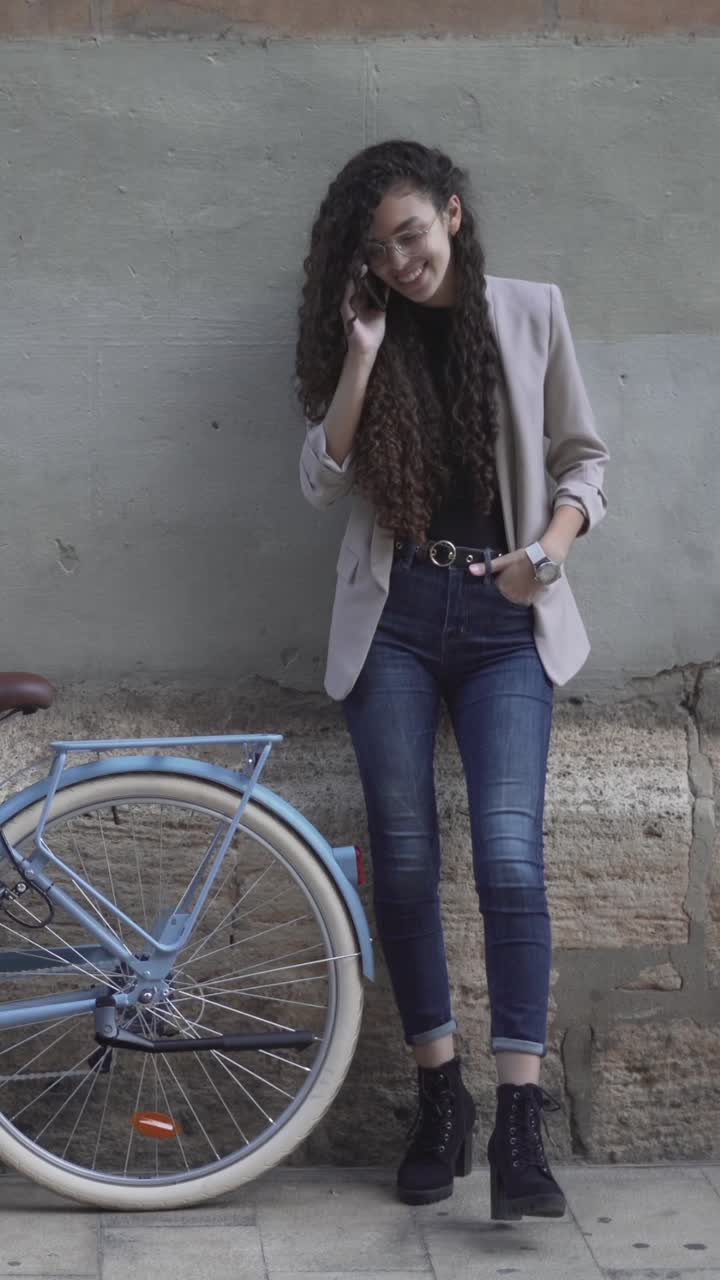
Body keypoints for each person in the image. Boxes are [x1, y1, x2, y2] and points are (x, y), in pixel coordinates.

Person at [296, 140, 609, 1219]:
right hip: (394, 619)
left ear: (454, 217)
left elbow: (584, 461)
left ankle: (521, 1119)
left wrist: (551, 552)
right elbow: (319, 477)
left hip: (504, 617)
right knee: (408, 860)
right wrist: (361, 352)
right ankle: (442, 1097)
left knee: (511, 858)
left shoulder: (531, 311)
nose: (400, 259)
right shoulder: (370, 331)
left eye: (413, 233)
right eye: (380, 249)